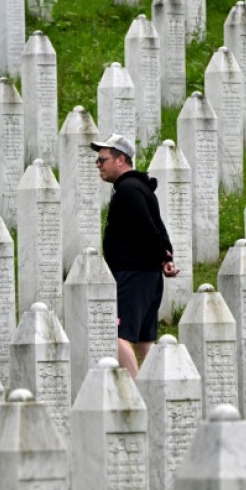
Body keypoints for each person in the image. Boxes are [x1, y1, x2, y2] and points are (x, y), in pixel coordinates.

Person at [91, 134, 180, 378]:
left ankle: (137, 393)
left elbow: (147, 227)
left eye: (102, 159)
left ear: (120, 160)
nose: (98, 165)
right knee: (144, 340)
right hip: (147, 274)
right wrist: (166, 257)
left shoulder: (128, 190)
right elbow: (159, 227)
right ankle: (161, 389)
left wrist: (163, 255)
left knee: (116, 335)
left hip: (133, 275)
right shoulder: (140, 187)